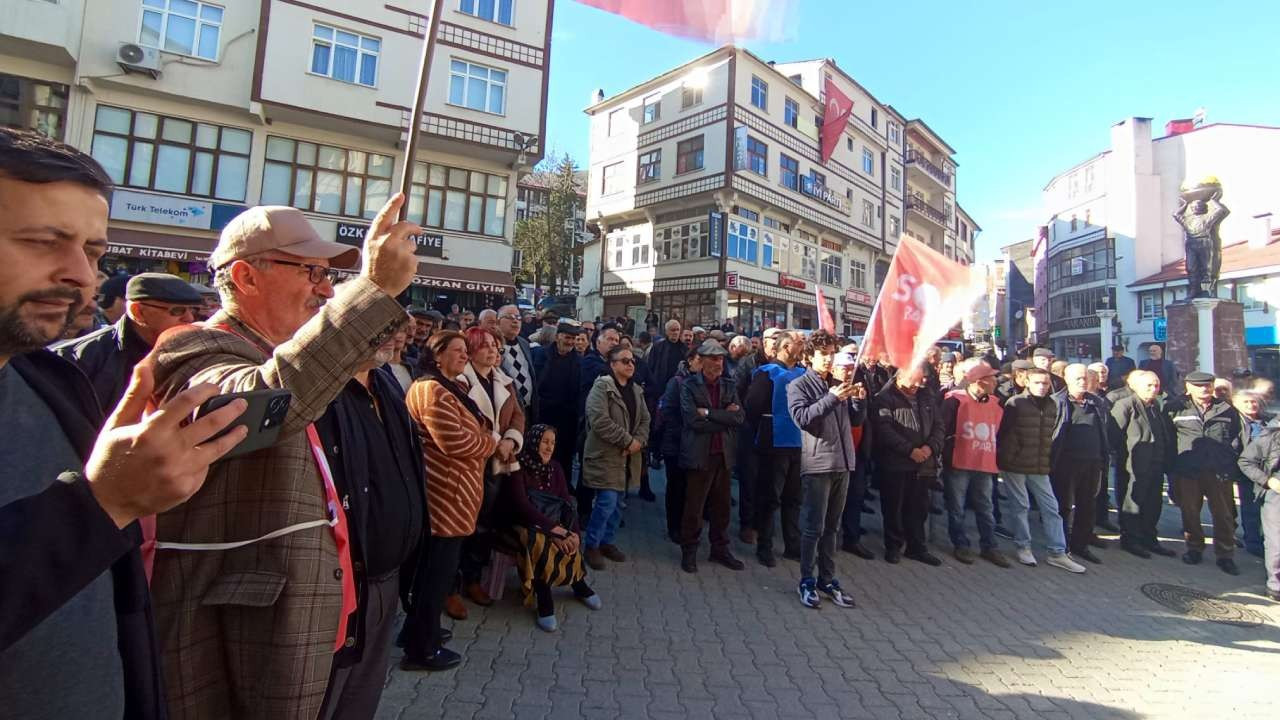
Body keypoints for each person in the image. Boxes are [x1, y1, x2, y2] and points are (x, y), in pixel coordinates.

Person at [0, 126, 246, 720]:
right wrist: (102, 502)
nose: (82, 276)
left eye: (92, 251)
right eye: (43, 241)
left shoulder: (46, 381)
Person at [145, 194, 419, 717]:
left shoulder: (289, 353)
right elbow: (258, 409)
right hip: (250, 645)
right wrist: (373, 289)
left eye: (329, 274)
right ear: (246, 277)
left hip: (330, 619)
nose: (326, 287)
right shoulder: (194, 349)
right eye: (312, 270)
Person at [314, 319, 427, 720]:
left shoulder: (386, 384)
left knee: (361, 697)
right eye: (382, 323)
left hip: (388, 577)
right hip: (345, 586)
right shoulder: (324, 394)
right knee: (327, 697)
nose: (395, 335)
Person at [402, 331, 497, 672]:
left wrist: (483, 436)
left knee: (435, 571)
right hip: (445, 498)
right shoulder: (431, 389)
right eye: (455, 350)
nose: (463, 356)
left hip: (456, 496)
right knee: (435, 576)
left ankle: (417, 630)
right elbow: (455, 441)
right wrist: (490, 443)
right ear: (436, 354)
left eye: (463, 351)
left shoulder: (449, 386)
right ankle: (421, 649)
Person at [787, 335, 865, 608]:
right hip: (818, 464)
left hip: (843, 463)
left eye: (832, 353)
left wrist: (858, 401)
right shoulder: (798, 385)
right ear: (809, 358)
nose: (830, 359)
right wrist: (831, 398)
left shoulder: (837, 383)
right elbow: (802, 418)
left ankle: (827, 579)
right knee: (813, 527)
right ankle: (806, 579)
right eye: (824, 355)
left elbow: (855, 420)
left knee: (833, 527)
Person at [453, 327, 526, 614]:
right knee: (462, 525)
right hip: (470, 464)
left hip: (497, 464)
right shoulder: (460, 382)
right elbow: (470, 421)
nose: (493, 350)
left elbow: (518, 415)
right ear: (471, 350)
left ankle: (473, 578)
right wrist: (497, 442)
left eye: (496, 346)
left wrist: (510, 440)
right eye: (485, 346)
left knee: (485, 523)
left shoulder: (503, 381)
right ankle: (451, 586)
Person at [55, 272, 204, 410]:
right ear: (137, 311)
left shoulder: (199, 353)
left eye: (193, 310)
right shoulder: (77, 359)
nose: (189, 318)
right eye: (177, 310)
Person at [504, 425, 602, 631]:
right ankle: (544, 595)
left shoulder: (555, 468)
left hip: (552, 521)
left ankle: (578, 582)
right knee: (539, 539)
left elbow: (566, 503)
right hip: (523, 521)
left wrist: (574, 534)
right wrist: (556, 531)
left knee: (569, 537)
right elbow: (523, 508)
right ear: (534, 442)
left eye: (553, 443)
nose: (549, 447)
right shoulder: (518, 467)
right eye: (545, 441)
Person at [996, 368, 1086, 573]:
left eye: (1045, 383)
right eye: (1037, 382)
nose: (1042, 387)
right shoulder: (1015, 403)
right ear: (1027, 382)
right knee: (1021, 506)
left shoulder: (1052, 404)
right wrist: (1007, 458)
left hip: (1039, 464)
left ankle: (1057, 552)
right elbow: (1004, 434)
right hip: (1015, 464)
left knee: (1051, 508)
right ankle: (1023, 547)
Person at [1166, 371, 1247, 575]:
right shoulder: (1175, 408)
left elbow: (1237, 439)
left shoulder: (1227, 408)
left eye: (1208, 386)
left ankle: (1225, 554)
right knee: (1190, 512)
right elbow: (1167, 439)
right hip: (1187, 470)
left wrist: (1230, 466)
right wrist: (1172, 469)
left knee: (1223, 515)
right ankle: (1194, 548)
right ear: (1189, 387)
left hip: (1218, 471)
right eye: (1200, 386)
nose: (1205, 389)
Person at [678, 340, 746, 573]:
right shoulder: (689, 385)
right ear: (702, 360)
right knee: (694, 508)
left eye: (721, 358)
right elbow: (692, 421)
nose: (719, 363)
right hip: (700, 454)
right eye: (713, 358)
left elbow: (739, 418)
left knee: (722, 507)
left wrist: (708, 413)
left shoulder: (729, 385)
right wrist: (723, 418)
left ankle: (720, 549)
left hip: (724, 455)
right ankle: (689, 550)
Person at [580, 345, 650, 569]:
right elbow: (599, 420)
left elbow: (645, 420)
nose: (630, 365)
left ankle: (607, 542)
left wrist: (638, 440)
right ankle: (591, 545)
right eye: (625, 361)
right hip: (606, 455)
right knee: (606, 502)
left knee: (619, 503)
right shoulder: (602, 387)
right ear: (612, 365)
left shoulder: (636, 389)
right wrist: (628, 441)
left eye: (632, 361)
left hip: (628, 457)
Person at [744, 330, 807, 567]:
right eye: (796, 343)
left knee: (794, 497)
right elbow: (752, 407)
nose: (801, 347)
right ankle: (765, 546)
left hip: (799, 443)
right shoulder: (767, 373)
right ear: (784, 347)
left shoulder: (803, 373)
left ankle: (793, 544)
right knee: (770, 496)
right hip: (774, 443)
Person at [873, 365, 945, 566]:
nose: (917, 384)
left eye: (921, 380)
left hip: (923, 464)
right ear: (900, 376)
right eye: (914, 379)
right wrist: (909, 450)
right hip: (896, 463)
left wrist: (930, 448)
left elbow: (939, 426)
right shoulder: (885, 397)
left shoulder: (926, 397)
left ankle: (917, 547)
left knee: (919, 507)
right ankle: (893, 546)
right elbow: (884, 430)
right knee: (894, 507)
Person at [940, 360, 1010, 567]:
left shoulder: (996, 402)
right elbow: (942, 428)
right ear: (979, 381)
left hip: (984, 462)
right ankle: (961, 544)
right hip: (959, 462)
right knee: (957, 507)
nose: (996, 381)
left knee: (986, 506)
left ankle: (989, 546)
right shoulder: (954, 400)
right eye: (991, 377)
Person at [1108, 370, 1176, 558]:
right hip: (1132, 466)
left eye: (1156, 385)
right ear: (1136, 386)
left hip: (1155, 465)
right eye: (1149, 385)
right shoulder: (1125, 405)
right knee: (1132, 504)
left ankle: (1149, 539)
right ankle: (1131, 540)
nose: (1153, 389)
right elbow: (1113, 436)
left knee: (1153, 504)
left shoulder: (1156, 407)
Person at [1049, 364, 1111, 565]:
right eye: (1077, 378)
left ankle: (1081, 545)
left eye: (1085, 378)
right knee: (1064, 506)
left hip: (1093, 462)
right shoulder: (1057, 402)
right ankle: (1062, 546)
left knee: (1088, 505)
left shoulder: (1096, 403)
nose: (1082, 381)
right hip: (1065, 464)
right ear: (1066, 379)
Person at [731, 326, 780, 540]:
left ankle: (764, 522)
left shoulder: (783, 364)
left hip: (775, 430)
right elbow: (736, 392)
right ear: (762, 341)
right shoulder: (748, 363)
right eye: (773, 338)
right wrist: (743, 419)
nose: (776, 342)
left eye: (780, 338)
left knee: (769, 479)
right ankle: (747, 523)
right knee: (749, 479)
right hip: (751, 428)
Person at [1236, 414, 1280, 601]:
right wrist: (1267, 481)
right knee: (1276, 542)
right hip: (1276, 495)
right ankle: (1275, 586)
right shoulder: (1271, 436)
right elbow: (1245, 461)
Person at [659, 348, 699, 543]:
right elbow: (667, 410)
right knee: (676, 487)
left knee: (691, 488)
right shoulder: (677, 382)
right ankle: (673, 526)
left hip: (696, 444)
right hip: (676, 443)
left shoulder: (705, 381)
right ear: (690, 360)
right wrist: (689, 422)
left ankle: (688, 525)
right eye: (701, 359)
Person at [538, 321, 582, 476]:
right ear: (557, 337)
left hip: (567, 418)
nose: (570, 342)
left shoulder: (579, 361)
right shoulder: (540, 355)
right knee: (541, 454)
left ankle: (563, 489)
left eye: (573, 338)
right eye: (567, 337)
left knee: (565, 456)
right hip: (544, 415)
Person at [1234, 390, 1273, 558]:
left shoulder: (1269, 421)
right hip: (1247, 471)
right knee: (1250, 508)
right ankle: (1253, 542)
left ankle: (1266, 539)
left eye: (1253, 402)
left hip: (1268, 472)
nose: (1251, 405)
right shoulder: (1236, 421)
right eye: (1246, 402)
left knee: (1268, 508)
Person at [497, 304, 539, 424]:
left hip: (528, 410)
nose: (515, 321)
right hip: (507, 413)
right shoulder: (494, 345)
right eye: (509, 317)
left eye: (518, 317)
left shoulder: (524, 343)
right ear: (498, 321)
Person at [382, 311, 417, 394]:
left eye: (403, 331)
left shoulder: (414, 365)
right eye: (394, 331)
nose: (399, 336)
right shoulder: (377, 369)